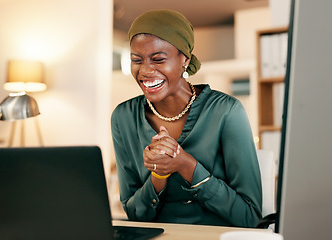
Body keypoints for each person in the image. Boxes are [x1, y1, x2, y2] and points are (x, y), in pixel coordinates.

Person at [111, 9, 262, 228]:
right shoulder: (123, 117)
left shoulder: (227, 112)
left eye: (158, 59)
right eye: (137, 60)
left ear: (185, 59)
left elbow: (250, 217)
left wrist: (187, 165)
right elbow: (135, 216)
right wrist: (158, 176)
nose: (145, 71)